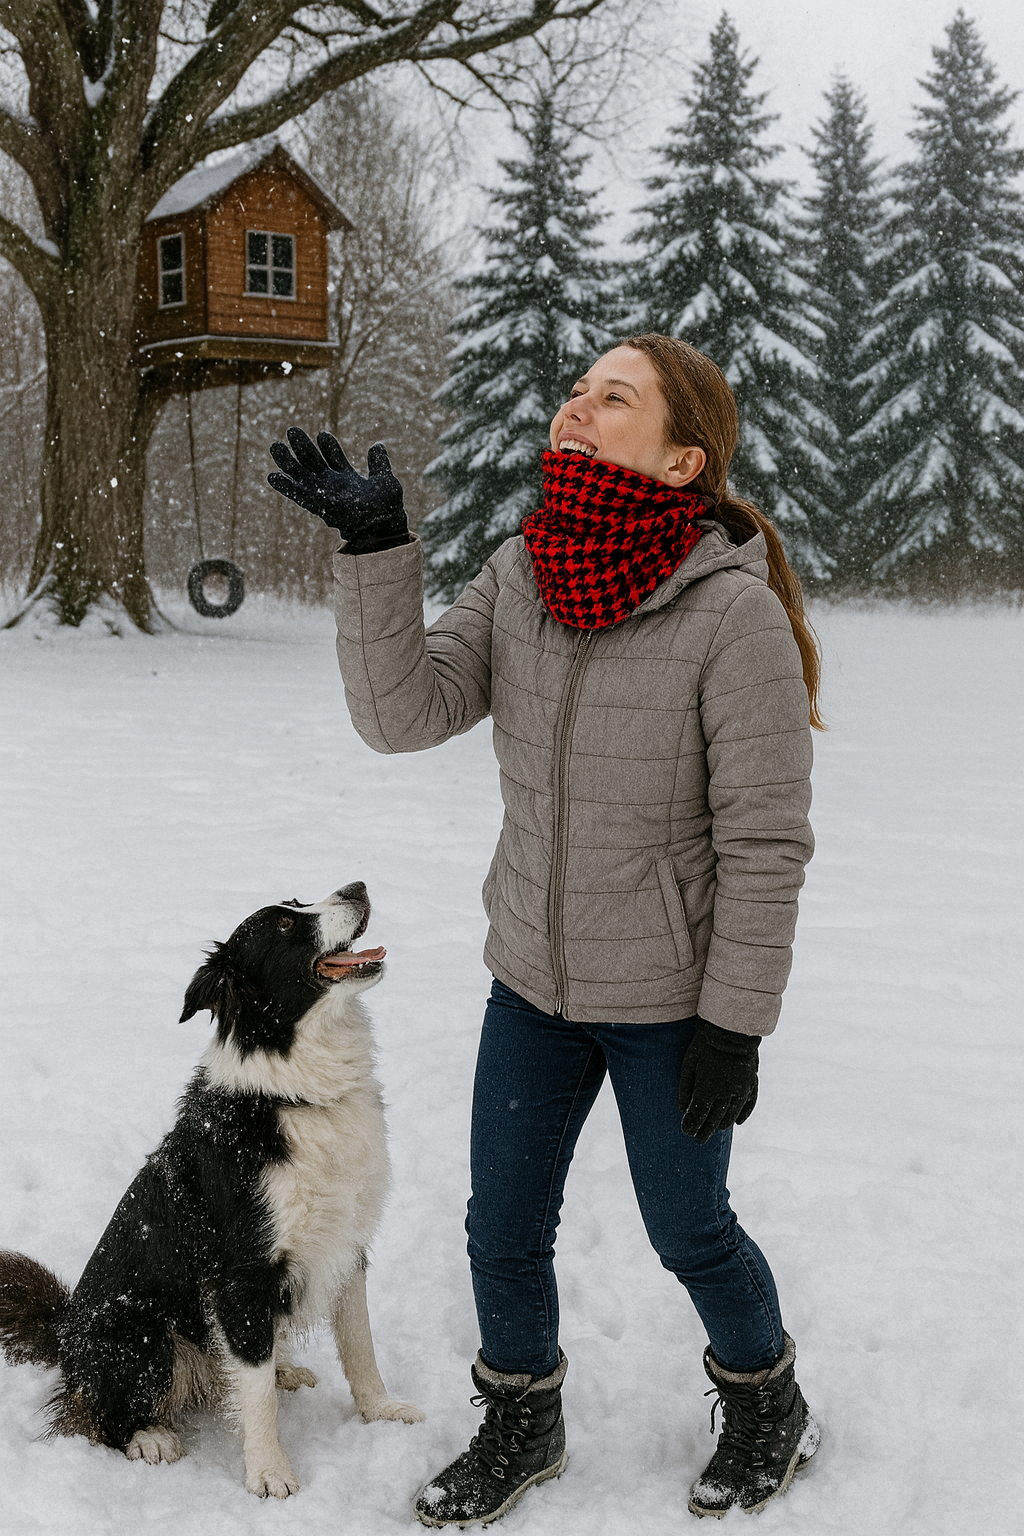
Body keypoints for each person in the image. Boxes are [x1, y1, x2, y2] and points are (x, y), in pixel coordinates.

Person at [267, 334, 823, 1525]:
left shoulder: (732, 621)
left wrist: (735, 1025)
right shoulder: (522, 570)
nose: (576, 404)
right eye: (575, 387)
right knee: (501, 1225)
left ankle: (767, 1397)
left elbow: (764, 846)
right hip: (528, 982)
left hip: (670, 1002)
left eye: (611, 396)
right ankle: (522, 1414)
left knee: (690, 1228)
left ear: (681, 459)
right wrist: (376, 552)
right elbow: (404, 713)